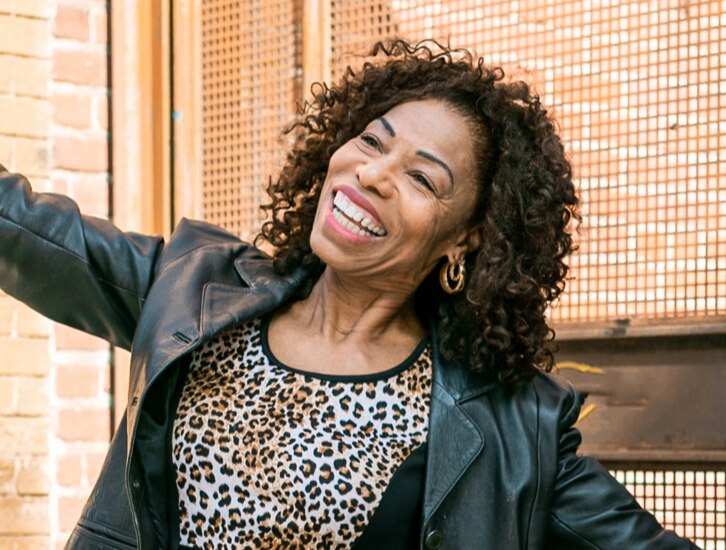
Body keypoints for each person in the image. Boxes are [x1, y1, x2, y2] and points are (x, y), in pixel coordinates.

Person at [0, 39, 697, 549]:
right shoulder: (194, 290)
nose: (371, 174)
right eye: (371, 140)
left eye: (423, 179)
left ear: (464, 245)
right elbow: (22, 231)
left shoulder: (515, 428)